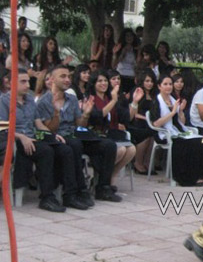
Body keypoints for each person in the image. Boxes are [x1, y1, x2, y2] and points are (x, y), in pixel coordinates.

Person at [36, 65, 121, 203]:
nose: (67, 79)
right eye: (63, 76)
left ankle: (103, 187)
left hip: (75, 134)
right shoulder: (44, 101)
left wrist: (86, 114)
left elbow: (80, 124)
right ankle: (78, 190)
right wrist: (56, 114)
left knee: (109, 145)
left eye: (68, 76)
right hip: (60, 137)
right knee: (74, 145)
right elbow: (50, 130)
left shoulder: (72, 98)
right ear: (52, 79)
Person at [0, 69, 83, 212]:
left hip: (33, 137)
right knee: (46, 151)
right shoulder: (3, 101)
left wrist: (50, 135)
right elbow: (2, 128)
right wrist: (22, 137)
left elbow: (38, 123)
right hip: (13, 140)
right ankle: (47, 197)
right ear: (11, 83)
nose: (27, 85)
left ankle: (70, 194)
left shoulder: (30, 100)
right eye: (23, 82)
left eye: (28, 81)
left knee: (64, 149)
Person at [149, 74, 203, 186]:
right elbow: (156, 123)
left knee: (201, 142)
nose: (168, 86)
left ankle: (200, 175)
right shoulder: (156, 101)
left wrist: (180, 111)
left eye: (170, 84)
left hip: (177, 131)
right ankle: (186, 178)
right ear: (159, 86)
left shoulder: (173, 100)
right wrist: (172, 112)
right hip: (163, 133)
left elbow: (181, 122)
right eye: (165, 84)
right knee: (184, 144)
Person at [87, 70, 137, 189]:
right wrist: (113, 101)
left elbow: (125, 118)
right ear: (94, 83)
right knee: (120, 150)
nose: (103, 83)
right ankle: (102, 178)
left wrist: (134, 102)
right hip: (96, 135)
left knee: (131, 149)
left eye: (105, 80)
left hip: (112, 133)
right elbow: (97, 117)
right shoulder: (91, 98)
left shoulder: (109, 97)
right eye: (100, 81)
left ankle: (111, 176)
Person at [128, 69, 157, 175]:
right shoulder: (137, 92)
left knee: (153, 134)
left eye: (151, 81)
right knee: (146, 133)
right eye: (147, 81)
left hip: (149, 123)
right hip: (137, 122)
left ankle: (147, 163)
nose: (150, 84)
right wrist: (147, 119)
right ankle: (138, 163)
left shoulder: (154, 94)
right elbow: (134, 113)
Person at [113, 28, 139, 94]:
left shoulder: (136, 49)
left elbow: (138, 64)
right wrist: (123, 52)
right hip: (121, 75)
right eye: (127, 36)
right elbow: (114, 64)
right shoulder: (119, 47)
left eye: (131, 35)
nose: (129, 38)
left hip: (132, 76)